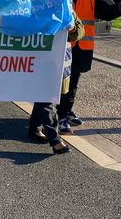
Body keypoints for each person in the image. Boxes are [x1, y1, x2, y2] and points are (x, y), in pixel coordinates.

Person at [56, 0, 121, 135]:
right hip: (62, 44)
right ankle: (61, 115)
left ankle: (65, 110)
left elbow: (103, 10)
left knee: (73, 81)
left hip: (82, 45)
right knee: (62, 81)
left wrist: (119, 9)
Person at [28, 10, 84, 154]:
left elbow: (80, 31)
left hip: (57, 61)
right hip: (37, 58)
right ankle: (55, 140)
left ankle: (34, 127)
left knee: (46, 95)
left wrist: (72, 28)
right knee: (45, 97)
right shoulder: (34, 1)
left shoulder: (66, 6)